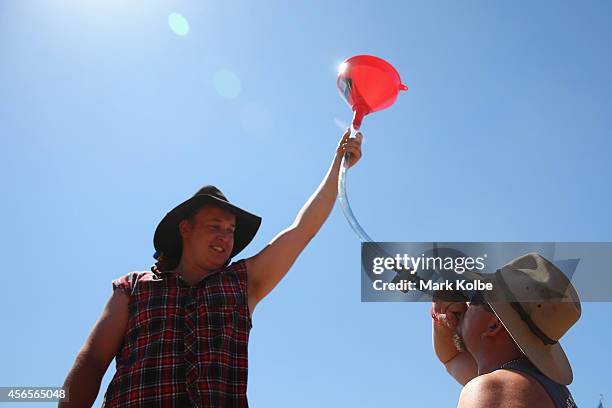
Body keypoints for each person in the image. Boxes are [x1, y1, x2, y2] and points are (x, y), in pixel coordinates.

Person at [60, 129, 363, 407]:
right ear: (185, 229)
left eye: (231, 230)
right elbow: (92, 360)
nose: (225, 236)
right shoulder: (132, 286)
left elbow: (301, 230)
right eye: (214, 225)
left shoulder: (244, 283)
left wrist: (338, 164)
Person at [431, 253, 580, 408]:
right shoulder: (537, 386)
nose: (465, 303)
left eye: (473, 296)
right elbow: (451, 358)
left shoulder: (495, 390)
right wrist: (439, 312)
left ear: (493, 325)